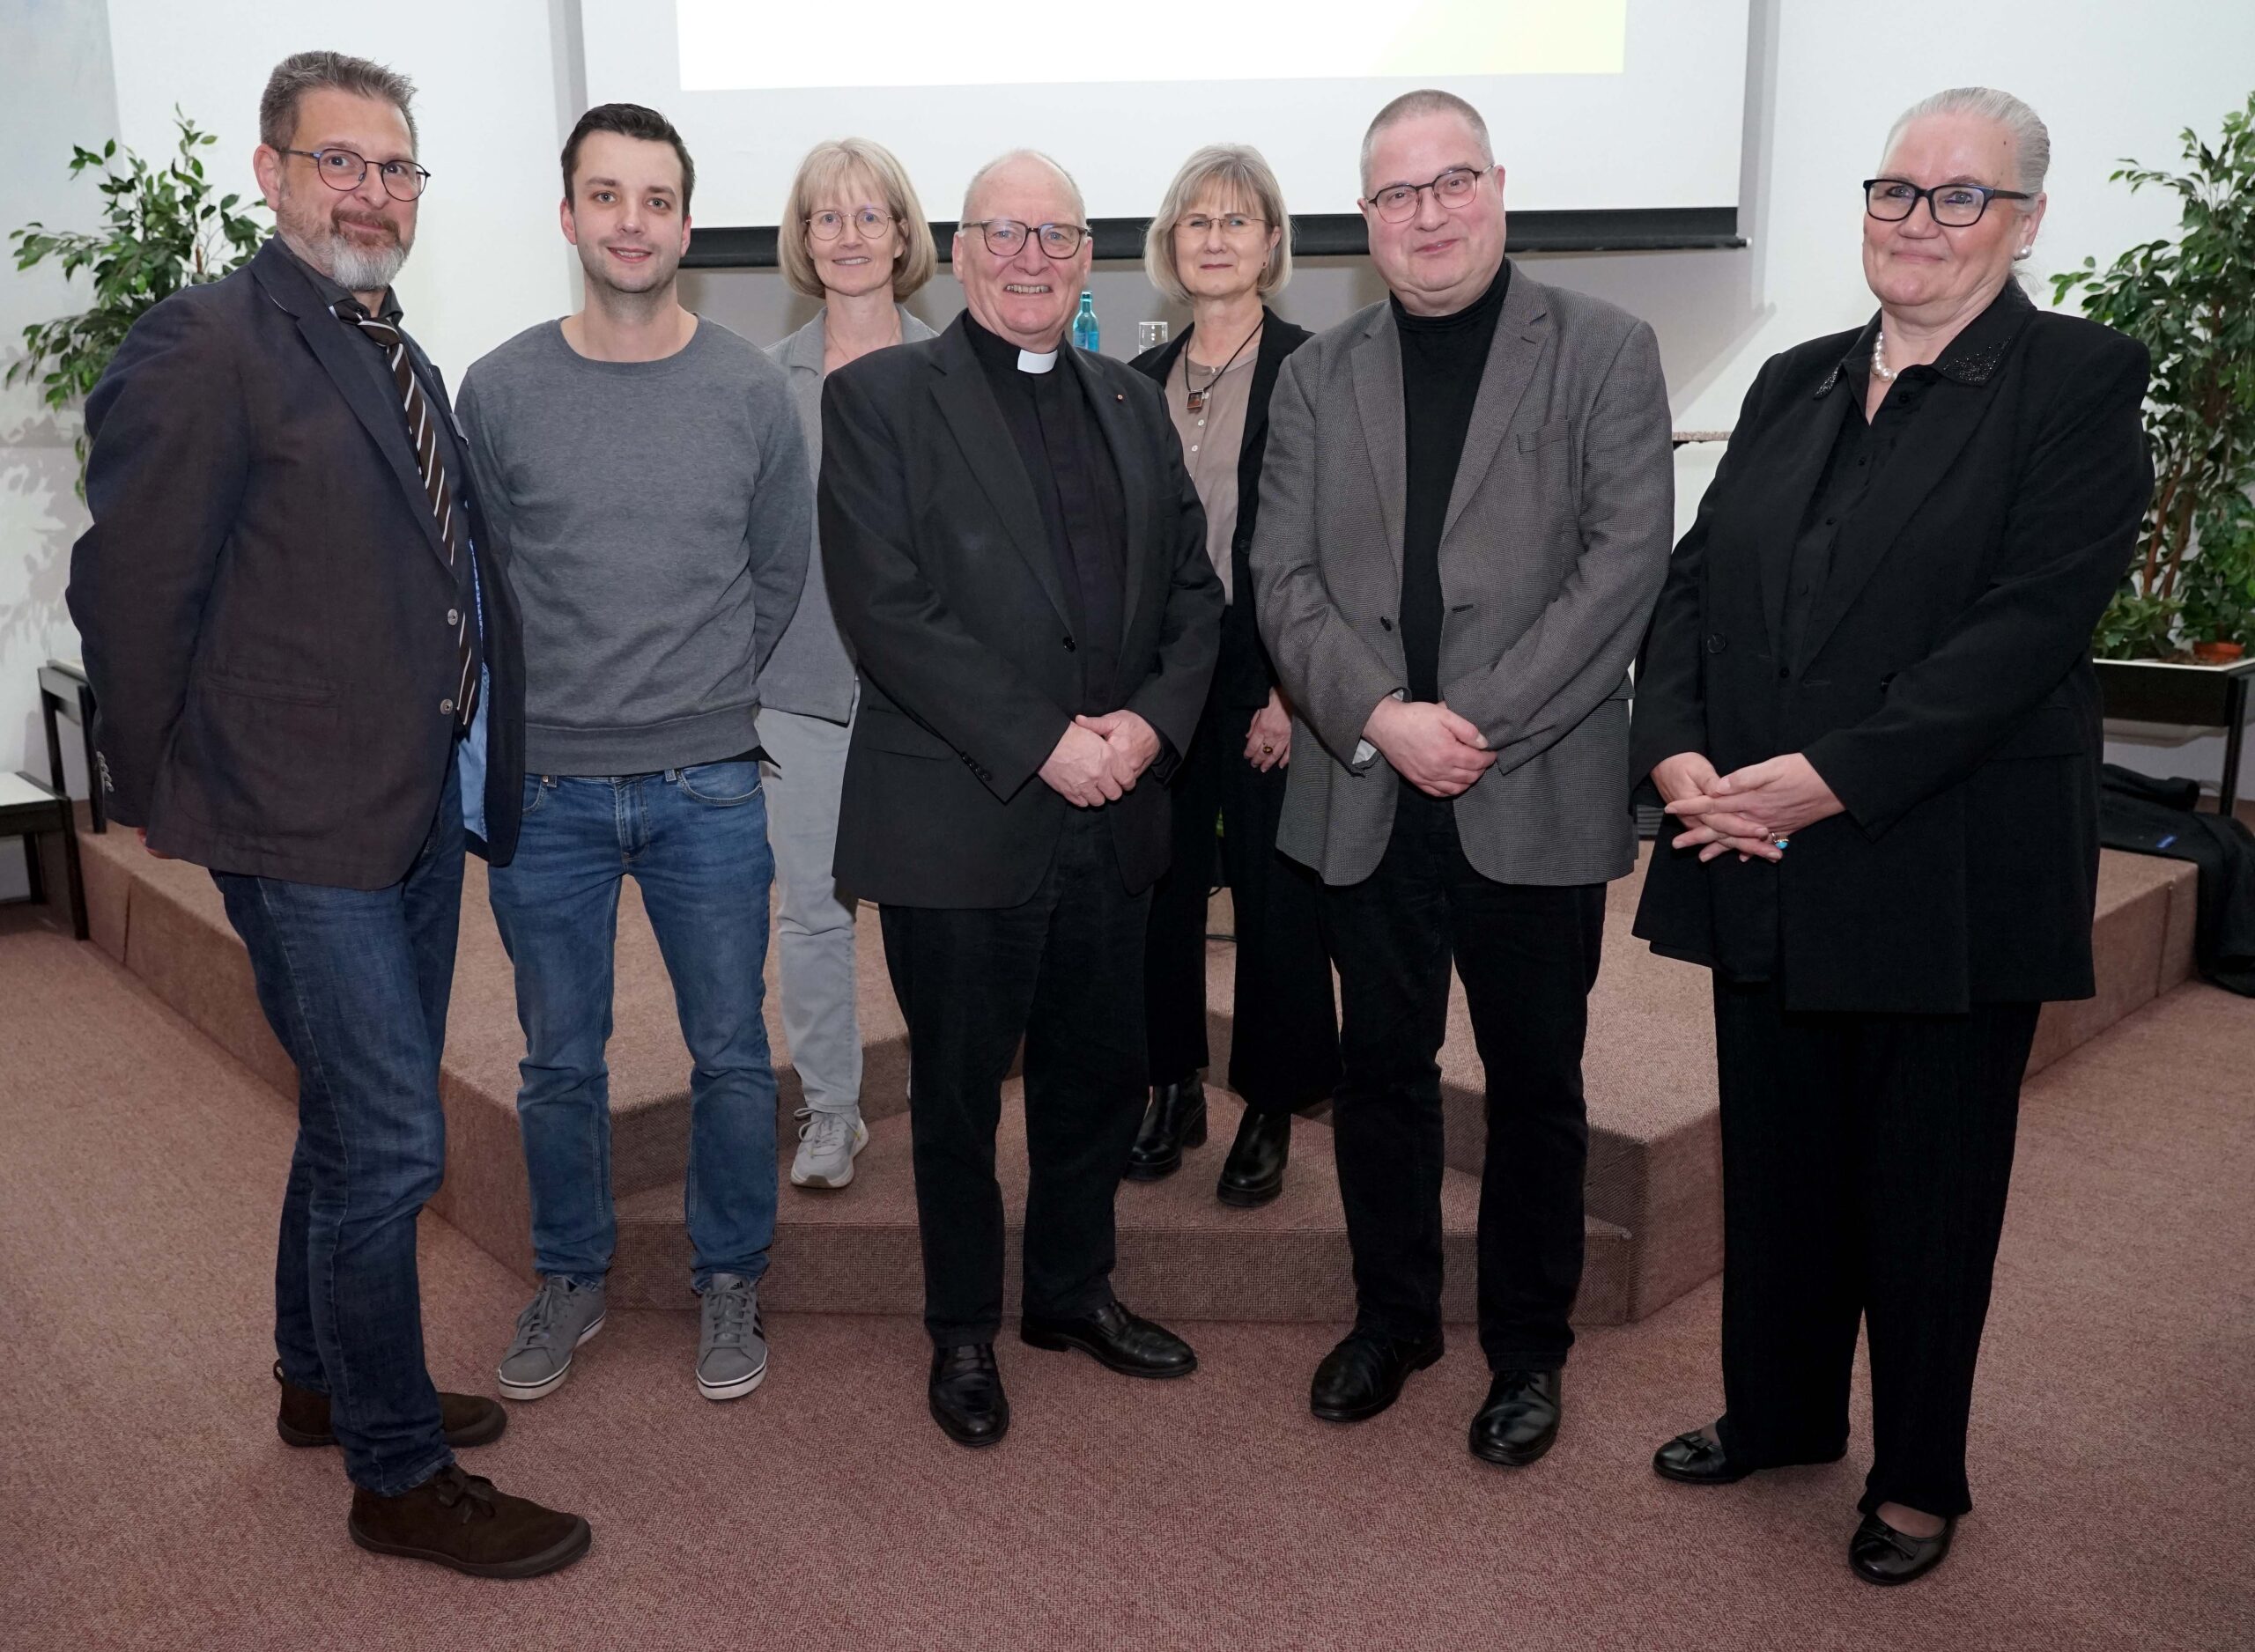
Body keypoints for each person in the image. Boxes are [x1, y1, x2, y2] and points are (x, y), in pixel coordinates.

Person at [66, 51, 588, 1576]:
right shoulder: (205, 341)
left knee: (358, 1117)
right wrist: (168, 796)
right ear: (274, 171)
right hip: (294, 825)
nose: (374, 191)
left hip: (410, 805)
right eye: (342, 162)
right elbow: (131, 591)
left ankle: (320, 1375)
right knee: (393, 1141)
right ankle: (396, 1471)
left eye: (397, 168)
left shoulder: (389, 351)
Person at [1631, 87, 2152, 1585]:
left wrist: (1830, 775)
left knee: (1926, 1188)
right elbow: (1693, 584)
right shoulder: (1797, 378)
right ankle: (1782, 1413)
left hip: (1940, 853)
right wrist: (1674, 751)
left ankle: (1921, 1470)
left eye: (1958, 197)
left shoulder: (2074, 379)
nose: (1916, 222)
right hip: (1751, 841)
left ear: (2026, 220)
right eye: (1894, 191)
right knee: (1780, 1160)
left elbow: (2025, 629)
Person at [1249, 90, 1673, 1465]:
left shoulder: (1605, 351)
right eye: (1395, 195)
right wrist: (1383, 715)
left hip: (1528, 783)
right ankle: (1396, 1319)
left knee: (1537, 1085)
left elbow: (1623, 567)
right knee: (1380, 1075)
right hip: (1365, 786)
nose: (1427, 215)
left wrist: (1462, 723)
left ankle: (1527, 1352)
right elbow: (1281, 580)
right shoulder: (1317, 374)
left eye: (1452, 184)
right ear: (1363, 221)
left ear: (1499, 186)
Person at [820, 149, 1224, 1448]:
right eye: (1007, 234)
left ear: (1088, 256)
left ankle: (1070, 1293)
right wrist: (1049, 740)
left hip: (1115, 812)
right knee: (952, 1094)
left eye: (1057, 237)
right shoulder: (883, 398)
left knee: (1096, 1080)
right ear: (961, 243)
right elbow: (889, 613)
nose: (1032, 259)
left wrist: (1149, 730)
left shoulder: (1131, 399)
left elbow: (1193, 599)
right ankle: (961, 1331)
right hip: (961, 813)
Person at [457, 104, 810, 1405]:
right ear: (569, 216)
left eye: (656, 199)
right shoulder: (497, 389)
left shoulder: (747, 388)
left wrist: (703, 693)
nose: (631, 222)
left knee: (727, 1049)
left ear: (684, 223)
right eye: (606, 197)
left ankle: (731, 1279)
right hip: (544, 789)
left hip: (708, 783)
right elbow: (480, 582)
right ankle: (571, 1274)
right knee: (558, 1058)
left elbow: (777, 570)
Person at [1124, 144, 1338, 1206]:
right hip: (1160, 681)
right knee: (1157, 891)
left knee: (1272, 897)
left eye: (1236, 221)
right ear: (1170, 245)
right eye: (1195, 221)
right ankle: (1172, 1082)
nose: (1214, 238)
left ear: (1270, 245)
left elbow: (1338, 544)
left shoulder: (1315, 367)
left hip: (1267, 678)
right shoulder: (1133, 383)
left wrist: (1296, 692)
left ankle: (1268, 1100)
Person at [765, 139, 938, 1190]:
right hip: (797, 688)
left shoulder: (952, 364)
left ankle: (941, 1084)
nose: (848, 237)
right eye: (827, 218)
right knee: (814, 909)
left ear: (904, 234)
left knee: (930, 908)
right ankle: (831, 1109)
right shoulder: (762, 377)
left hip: (925, 696)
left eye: (870, 216)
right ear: (802, 238)